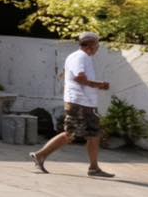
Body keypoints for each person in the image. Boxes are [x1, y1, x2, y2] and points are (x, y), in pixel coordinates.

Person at [29, 32, 113, 178]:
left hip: (84, 103)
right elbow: (80, 78)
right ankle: (40, 155)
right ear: (90, 45)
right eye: (97, 44)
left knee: (93, 134)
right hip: (80, 103)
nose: (98, 47)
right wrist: (100, 85)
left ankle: (94, 168)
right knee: (72, 134)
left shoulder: (80, 57)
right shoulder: (81, 57)